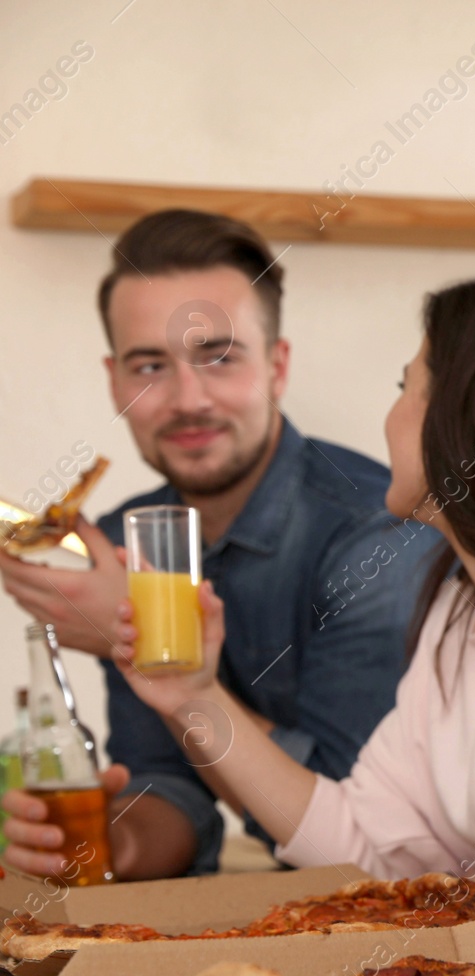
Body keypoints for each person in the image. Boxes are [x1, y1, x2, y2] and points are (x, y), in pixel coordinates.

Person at [91, 275, 475, 886]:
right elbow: (366, 842)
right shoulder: (457, 606)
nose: (390, 416)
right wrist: (191, 695)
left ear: (471, 414)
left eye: (406, 388)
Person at [0, 210, 436, 878]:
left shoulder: (375, 533)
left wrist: (156, 646)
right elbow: (169, 788)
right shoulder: (124, 541)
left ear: (277, 366)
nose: (187, 398)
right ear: (115, 380)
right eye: (150, 364)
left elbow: (358, 832)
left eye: (219, 357)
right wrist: (98, 843)